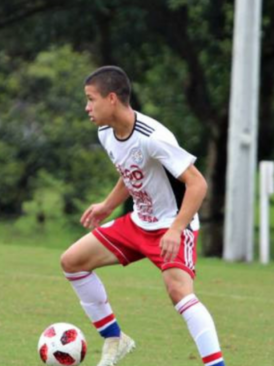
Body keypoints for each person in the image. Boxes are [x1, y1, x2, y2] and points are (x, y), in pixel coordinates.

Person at [60, 66, 225, 366]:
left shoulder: (154, 137)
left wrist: (176, 229)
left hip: (172, 225)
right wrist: (108, 205)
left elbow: (197, 183)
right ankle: (115, 338)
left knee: (179, 292)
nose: (87, 107)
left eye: (90, 99)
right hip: (138, 223)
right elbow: (131, 172)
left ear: (111, 99)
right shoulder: (105, 132)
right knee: (72, 262)